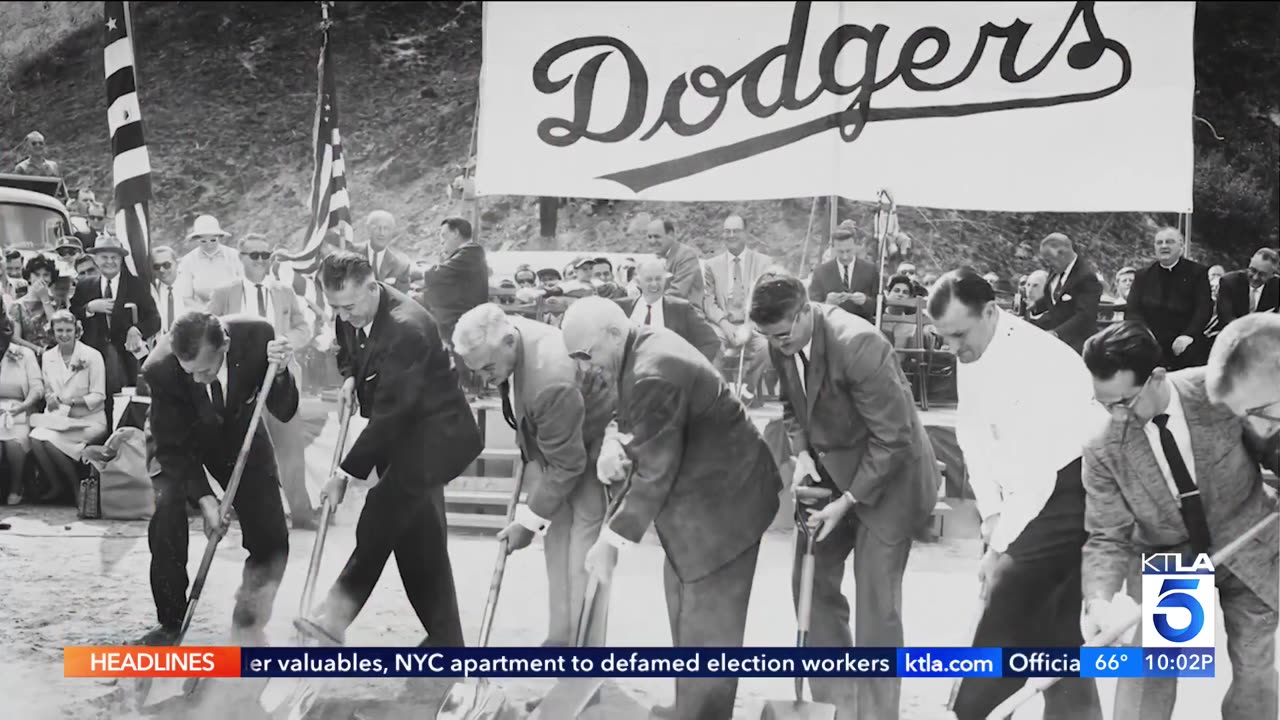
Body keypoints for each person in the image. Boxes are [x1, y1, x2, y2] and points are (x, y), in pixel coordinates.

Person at [563, 297, 781, 720]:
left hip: (726, 509)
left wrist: (610, 541)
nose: (586, 368)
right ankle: (689, 706)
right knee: (684, 605)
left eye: (587, 356)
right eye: (576, 359)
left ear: (612, 333)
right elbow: (646, 438)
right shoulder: (638, 348)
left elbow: (655, 472)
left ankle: (703, 715)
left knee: (709, 626)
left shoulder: (652, 370)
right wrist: (619, 441)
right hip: (699, 504)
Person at [749, 276, 939, 720]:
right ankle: (837, 706)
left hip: (892, 481)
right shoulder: (782, 340)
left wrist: (849, 500)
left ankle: (876, 714)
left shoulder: (860, 344)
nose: (776, 345)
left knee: (877, 606)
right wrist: (800, 455)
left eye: (781, 335)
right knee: (808, 585)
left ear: (803, 313)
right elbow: (792, 407)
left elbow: (894, 439)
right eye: (768, 337)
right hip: (831, 471)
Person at [928, 268, 1105, 720]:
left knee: (1006, 603)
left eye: (958, 335)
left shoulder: (1039, 359)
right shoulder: (974, 349)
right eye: (943, 337)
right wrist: (989, 516)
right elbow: (972, 437)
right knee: (1058, 632)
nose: (952, 348)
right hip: (1023, 495)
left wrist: (1000, 545)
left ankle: (971, 713)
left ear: (990, 311)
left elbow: (1037, 475)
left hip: (1069, 490)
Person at [1080, 320, 1279, 720]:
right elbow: (1106, 535)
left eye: (1123, 402)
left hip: (1246, 543)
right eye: (1104, 404)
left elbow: (1270, 445)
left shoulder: (1220, 390)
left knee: (1255, 673)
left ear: (1156, 378)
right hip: (1171, 561)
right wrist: (1100, 601)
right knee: (1150, 677)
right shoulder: (1102, 448)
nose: (1116, 416)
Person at [295, 252, 482, 657]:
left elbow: (391, 415)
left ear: (371, 285)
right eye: (337, 308)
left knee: (382, 512)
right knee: (420, 543)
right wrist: (348, 377)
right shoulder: (352, 312)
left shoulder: (406, 329)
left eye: (351, 306)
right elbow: (348, 351)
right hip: (401, 436)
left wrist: (344, 474)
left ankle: (335, 614)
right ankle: (448, 644)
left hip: (436, 436)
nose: (345, 317)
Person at [452, 304, 614, 649]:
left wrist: (527, 523)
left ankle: (586, 660)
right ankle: (561, 639)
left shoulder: (550, 377)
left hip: (591, 447)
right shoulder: (506, 335)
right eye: (476, 371)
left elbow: (568, 465)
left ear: (510, 342)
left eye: (489, 368)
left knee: (583, 557)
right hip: (559, 443)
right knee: (556, 543)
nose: (484, 378)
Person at [134, 312, 296, 646]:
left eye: (206, 371)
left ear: (226, 346)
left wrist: (280, 374)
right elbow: (172, 447)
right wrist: (207, 500)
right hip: (179, 439)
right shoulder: (160, 369)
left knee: (272, 536)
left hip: (240, 434)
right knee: (166, 515)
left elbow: (285, 410)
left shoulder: (258, 336)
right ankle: (170, 624)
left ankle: (248, 625)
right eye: (189, 372)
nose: (197, 380)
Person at [206, 234, 316, 530]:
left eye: (266, 255)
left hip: (280, 377)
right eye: (253, 255)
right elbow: (208, 329)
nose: (260, 261)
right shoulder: (224, 293)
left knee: (290, 444)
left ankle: (301, 513)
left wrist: (286, 343)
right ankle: (244, 510)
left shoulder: (284, 291)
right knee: (243, 445)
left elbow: (302, 327)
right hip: (242, 380)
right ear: (240, 257)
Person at [69, 235, 160, 430]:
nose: (109, 262)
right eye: (104, 257)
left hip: (127, 359)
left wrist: (137, 330)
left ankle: (125, 442)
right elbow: (72, 313)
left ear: (121, 259)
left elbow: (155, 319)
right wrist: (90, 307)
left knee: (127, 404)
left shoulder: (136, 285)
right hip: (94, 357)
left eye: (114, 257)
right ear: (95, 259)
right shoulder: (86, 286)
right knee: (98, 404)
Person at [29, 311, 107, 505]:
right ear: (52, 332)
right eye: (59, 330)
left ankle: (75, 487)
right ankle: (57, 484)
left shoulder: (92, 356)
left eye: (68, 330)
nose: (64, 335)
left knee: (49, 440)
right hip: (61, 421)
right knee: (35, 437)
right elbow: (49, 386)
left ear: (77, 331)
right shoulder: (48, 356)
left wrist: (70, 400)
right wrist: (51, 396)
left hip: (90, 421)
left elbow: (99, 396)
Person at [1124, 227, 1213, 370]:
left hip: (1184, 339)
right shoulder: (1142, 276)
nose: (1164, 246)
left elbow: (1203, 309)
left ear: (1181, 247)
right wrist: (1145, 335)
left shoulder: (1198, 273)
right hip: (1149, 339)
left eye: (1169, 242)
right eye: (1159, 243)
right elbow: (1132, 310)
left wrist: (1188, 335)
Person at [614, 258, 720, 362]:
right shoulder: (621, 308)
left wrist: (691, 369)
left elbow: (711, 342)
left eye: (658, 279)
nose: (654, 284)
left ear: (665, 280)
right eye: (649, 279)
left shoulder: (681, 309)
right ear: (638, 282)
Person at [419, 217, 489, 346]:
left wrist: (420, 271)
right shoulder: (464, 255)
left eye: (443, 235)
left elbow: (438, 274)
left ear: (456, 233)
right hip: (455, 319)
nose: (441, 241)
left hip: (461, 321)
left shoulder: (472, 251)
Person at [1030, 233, 1104, 353]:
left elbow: (1085, 316)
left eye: (1048, 259)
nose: (1047, 264)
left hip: (1076, 341)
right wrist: (1036, 306)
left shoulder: (1086, 277)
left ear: (1062, 254)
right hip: (1053, 334)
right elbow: (1056, 297)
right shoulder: (1057, 268)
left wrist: (1057, 333)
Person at [0, 303, 42, 506]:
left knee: (15, 442)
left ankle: (16, 487)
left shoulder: (24, 354)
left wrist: (25, 405)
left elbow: (37, 388)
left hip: (19, 410)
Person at [807, 228, 879, 321]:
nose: (845, 256)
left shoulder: (870, 270)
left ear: (855, 245)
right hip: (831, 328)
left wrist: (866, 301)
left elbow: (881, 305)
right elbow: (812, 308)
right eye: (840, 252)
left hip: (861, 327)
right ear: (833, 248)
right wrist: (827, 303)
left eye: (848, 251)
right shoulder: (821, 272)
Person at [175, 215, 243, 312]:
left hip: (234, 310)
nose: (208, 244)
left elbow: (245, 285)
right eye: (203, 241)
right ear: (196, 239)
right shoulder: (188, 261)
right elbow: (186, 297)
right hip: (204, 312)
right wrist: (206, 312)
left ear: (219, 237)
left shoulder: (234, 256)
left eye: (213, 240)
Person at [1215, 247, 1279, 328]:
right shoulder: (1229, 282)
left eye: (1262, 274)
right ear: (1249, 264)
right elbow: (1226, 318)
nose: (1255, 277)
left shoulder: (1277, 286)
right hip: (1233, 333)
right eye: (1253, 270)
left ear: (1272, 275)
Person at [360, 210, 413, 290]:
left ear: (392, 232)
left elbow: (400, 298)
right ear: (368, 229)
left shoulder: (401, 265)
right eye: (377, 228)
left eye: (386, 228)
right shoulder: (350, 254)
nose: (382, 233)